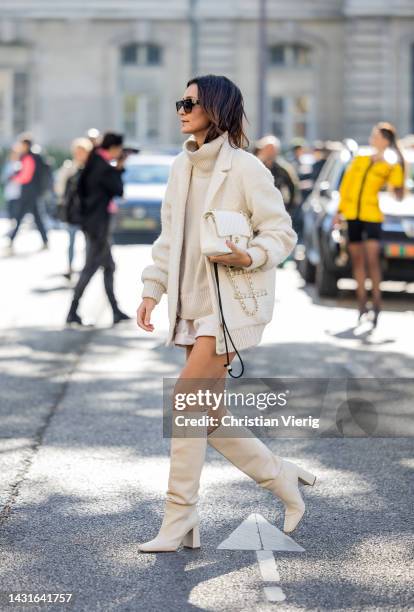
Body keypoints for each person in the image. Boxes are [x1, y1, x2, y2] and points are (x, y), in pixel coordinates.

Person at [136, 74, 316, 553]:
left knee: (185, 401)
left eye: (190, 102)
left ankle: (179, 517)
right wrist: (153, 289)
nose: (181, 109)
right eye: (180, 101)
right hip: (190, 303)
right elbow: (169, 236)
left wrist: (251, 255)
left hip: (228, 306)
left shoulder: (246, 168)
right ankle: (279, 476)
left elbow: (281, 232)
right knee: (207, 412)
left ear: (216, 108)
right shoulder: (181, 166)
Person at [336, 122, 405, 326]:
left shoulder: (389, 164)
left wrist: (396, 164)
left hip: (372, 216)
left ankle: (377, 303)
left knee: (372, 260)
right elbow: (346, 187)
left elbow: (398, 193)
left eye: (376, 135)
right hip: (352, 215)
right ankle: (361, 304)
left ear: (385, 140)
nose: (372, 138)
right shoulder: (360, 159)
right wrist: (339, 212)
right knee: (357, 261)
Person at [66, 132, 130, 326]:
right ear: (114, 148)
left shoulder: (94, 162)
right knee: (91, 267)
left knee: (109, 266)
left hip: (93, 223)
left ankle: (115, 310)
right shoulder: (102, 167)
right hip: (98, 225)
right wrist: (119, 168)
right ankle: (72, 311)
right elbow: (118, 189)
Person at [55, 138, 93, 280]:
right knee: (71, 241)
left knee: (87, 242)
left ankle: (86, 269)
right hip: (72, 212)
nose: (79, 155)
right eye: (77, 152)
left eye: (82, 152)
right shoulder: (69, 168)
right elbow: (59, 188)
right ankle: (70, 268)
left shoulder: (91, 168)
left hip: (87, 213)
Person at [7, 135, 49, 250]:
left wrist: (13, 178)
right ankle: (45, 241)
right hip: (33, 192)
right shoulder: (31, 157)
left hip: (28, 192)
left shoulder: (29, 158)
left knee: (20, 216)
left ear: (26, 145)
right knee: (37, 217)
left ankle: (11, 240)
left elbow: (26, 177)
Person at [253, 135, 300, 214]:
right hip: (256, 206)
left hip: (275, 207)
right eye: (267, 149)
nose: (269, 153)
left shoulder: (283, 169)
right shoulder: (254, 166)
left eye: (272, 150)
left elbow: (293, 187)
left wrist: (288, 208)